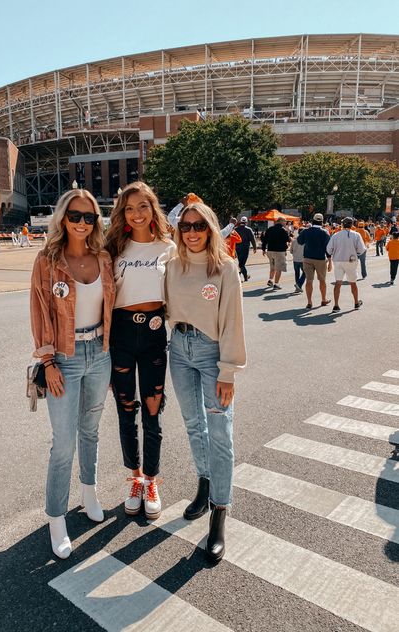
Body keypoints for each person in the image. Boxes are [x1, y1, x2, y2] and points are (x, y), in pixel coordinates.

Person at [30, 188, 115, 559]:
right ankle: (57, 518)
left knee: (91, 431)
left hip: (100, 352)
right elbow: (40, 313)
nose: (82, 223)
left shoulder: (104, 258)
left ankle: (90, 491)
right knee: (63, 443)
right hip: (63, 357)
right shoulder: (47, 260)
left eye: (89, 217)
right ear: (63, 218)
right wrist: (47, 363)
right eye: (75, 216)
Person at [165, 201, 246, 563]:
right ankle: (204, 483)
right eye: (186, 226)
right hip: (178, 349)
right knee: (193, 424)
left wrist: (228, 371)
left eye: (199, 226)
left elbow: (232, 322)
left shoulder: (225, 268)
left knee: (220, 432)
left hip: (212, 353)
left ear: (211, 229)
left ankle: (219, 513)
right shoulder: (172, 264)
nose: (193, 232)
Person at [105, 181, 175, 521]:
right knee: (125, 409)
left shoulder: (168, 247)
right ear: (122, 212)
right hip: (119, 333)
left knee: (152, 409)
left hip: (153, 333)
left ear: (153, 209)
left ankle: (151, 480)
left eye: (142, 207)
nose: (136, 214)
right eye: (129, 208)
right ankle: (133, 478)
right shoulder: (114, 248)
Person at [326, 217, 366, 312]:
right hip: (351, 260)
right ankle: (356, 303)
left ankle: (336, 305)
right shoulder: (356, 235)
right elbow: (361, 250)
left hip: (338, 260)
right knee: (353, 282)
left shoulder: (336, 235)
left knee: (338, 283)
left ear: (342, 224)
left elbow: (328, 249)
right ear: (352, 225)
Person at [296, 213, 332, 308]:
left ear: (313, 220)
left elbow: (299, 241)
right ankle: (323, 300)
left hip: (307, 258)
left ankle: (309, 302)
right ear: (322, 222)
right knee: (322, 280)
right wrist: (330, 261)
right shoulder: (324, 232)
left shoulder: (306, 231)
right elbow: (327, 248)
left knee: (309, 281)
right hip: (320, 259)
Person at [261, 217, 291, 289]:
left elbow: (264, 240)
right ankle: (276, 284)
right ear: (281, 221)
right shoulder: (283, 230)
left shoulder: (270, 229)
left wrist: (263, 249)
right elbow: (288, 239)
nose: (285, 223)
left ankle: (270, 280)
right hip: (279, 251)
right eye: (285, 221)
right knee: (279, 268)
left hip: (270, 250)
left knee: (272, 267)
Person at [234, 216, 257, 282]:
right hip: (245, 248)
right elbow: (252, 239)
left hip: (237, 248)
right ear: (246, 222)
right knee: (242, 264)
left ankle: (239, 276)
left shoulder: (236, 229)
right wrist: (254, 248)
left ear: (240, 222)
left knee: (240, 263)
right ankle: (245, 276)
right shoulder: (248, 229)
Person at [289, 227, 306, 293]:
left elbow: (291, 251)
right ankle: (299, 285)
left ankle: (298, 287)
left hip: (295, 260)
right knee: (305, 273)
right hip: (303, 260)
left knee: (297, 273)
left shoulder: (294, 241)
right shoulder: (305, 241)